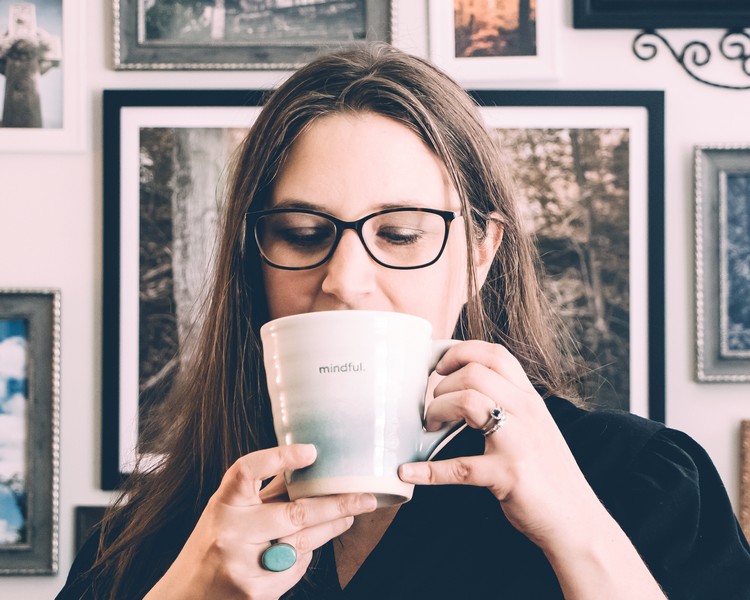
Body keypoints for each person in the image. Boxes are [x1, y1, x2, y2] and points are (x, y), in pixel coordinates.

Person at [57, 42, 750, 599]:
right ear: (252, 262)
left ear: (480, 252)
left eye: (401, 233)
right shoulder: (156, 532)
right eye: (302, 233)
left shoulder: (640, 481)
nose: (345, 281)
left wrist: (578, 529)